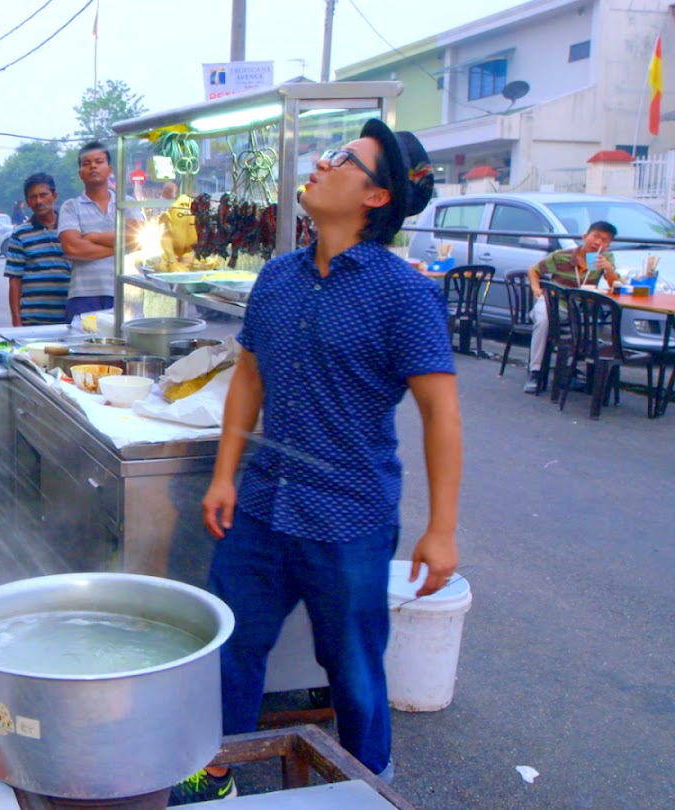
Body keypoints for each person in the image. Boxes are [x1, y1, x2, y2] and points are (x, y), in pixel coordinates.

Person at [171, 120, 462, 803]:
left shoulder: (405, 294)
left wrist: (441, 528)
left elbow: (440, 414)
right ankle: (215, 773)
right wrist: (223, 475)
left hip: (350, 514)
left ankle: (367, 785)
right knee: (230, 647)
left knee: (354, 668)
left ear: (375, 196)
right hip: (263, 504)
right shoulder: (278, 277)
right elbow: (249, 375)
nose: (321, 164)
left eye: (342, 160)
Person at [522, 222, 620, 394]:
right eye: (595, 236)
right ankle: (535, 372)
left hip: (582, 308)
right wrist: (536, 289)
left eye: (604, 240)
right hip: (555, 303)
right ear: (585, 236)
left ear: (608, 245)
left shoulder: (605, 258)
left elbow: (615, 285)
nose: (598, 242)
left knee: (601, 329)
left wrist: (609, 269)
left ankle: (578, 373)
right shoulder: (561, 256)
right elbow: (534, 270)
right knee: (544, 320)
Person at [58, 141, 141, 322]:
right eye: (86, 163)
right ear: (80, 173)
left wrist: (94, 237)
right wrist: (121, 248)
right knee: (83, 347)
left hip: (125, 291)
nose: (93, 166)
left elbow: (139, 239)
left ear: (109, 169)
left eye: (99, 161)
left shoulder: (126, 204)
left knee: (125, 347)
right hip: (84, 296)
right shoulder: (71, 207)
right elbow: (73, 249)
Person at [4, 173, 72, 326]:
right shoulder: (20, 234)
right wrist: (16, 319)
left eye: (43, 195)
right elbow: (15, 280)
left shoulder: (71, 229)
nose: (38, 201)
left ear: (54, 196)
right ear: (27, 202)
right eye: (33, 197)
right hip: (33, 321)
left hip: (68, 319)